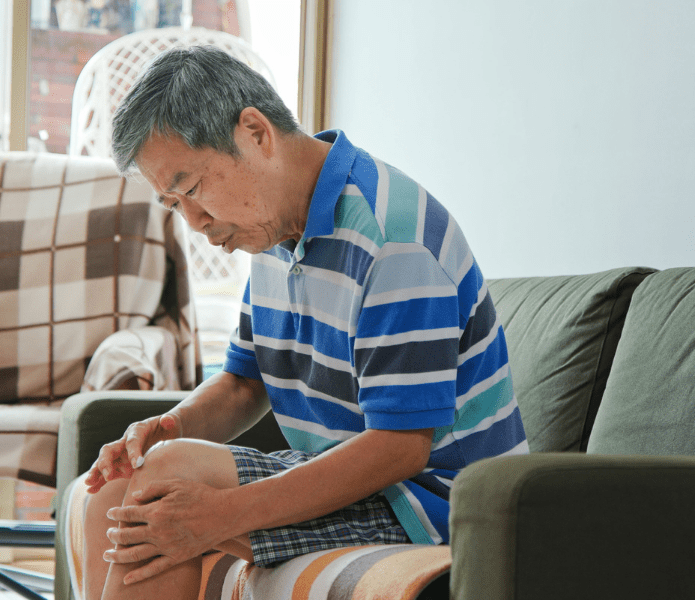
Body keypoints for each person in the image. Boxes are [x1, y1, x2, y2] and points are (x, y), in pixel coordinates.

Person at [80, 45, 528, 600]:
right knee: (120, 490)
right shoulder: (269, 232)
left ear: (255, 133)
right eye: (174, 204)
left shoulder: (394, 240)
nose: (194, 223)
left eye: (193, 189)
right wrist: (171, 425)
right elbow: (246, 380)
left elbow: (400, 448)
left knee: (160, 493)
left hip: (431, 502)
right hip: (349, 478)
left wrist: (222, 514)